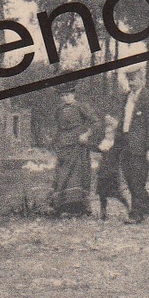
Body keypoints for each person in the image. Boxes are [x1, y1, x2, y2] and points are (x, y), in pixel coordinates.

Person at [49, 88, 99, 217]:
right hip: (63, 145)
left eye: (68, 95)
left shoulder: (81, 106)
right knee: (62, 175)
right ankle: (62, 206)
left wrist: (86, 135)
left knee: (77, 175)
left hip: (78, 145)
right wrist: (54, 142)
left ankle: (80, 207)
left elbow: (96, 122)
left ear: (73, 94)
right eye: (63, 95)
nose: (66, 98)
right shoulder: (59, 110)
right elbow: (57, 128)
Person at [118, 69, 149, 224]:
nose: (131, 83)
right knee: (129, 178)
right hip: (126, 143)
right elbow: (122, 121)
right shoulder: (125, 98)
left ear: (143, 80)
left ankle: (136, 214)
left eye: (134, 80)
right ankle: (148, 205)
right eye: (129, 80)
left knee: (137, 180)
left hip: (141, 146)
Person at [93, 114, 129, 221]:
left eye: (110, 132)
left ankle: (128, 207)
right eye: (106, 132)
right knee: (101, 192)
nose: (108, 134)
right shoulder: (104, 143)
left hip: (112, 170)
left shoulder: (117, 144)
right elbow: (96, 148)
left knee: (116, 192)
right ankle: (103, 212)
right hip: (103, 170)